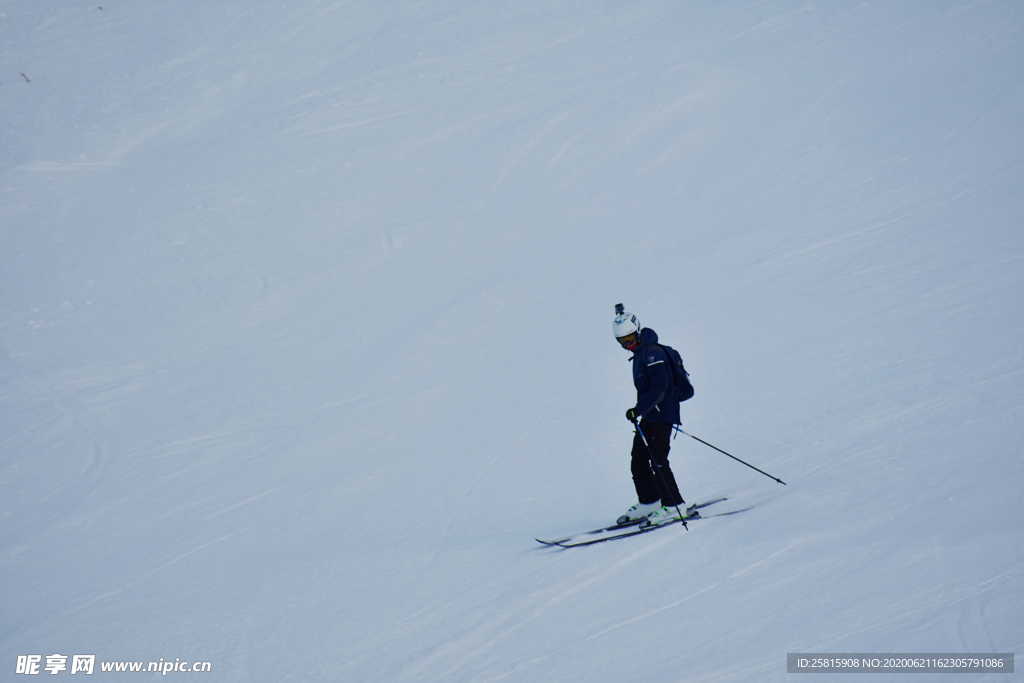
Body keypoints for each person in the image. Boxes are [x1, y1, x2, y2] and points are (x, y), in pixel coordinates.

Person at [612, 305, 691, 526]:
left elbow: (660, 387)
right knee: (638, 459)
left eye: (630, 339)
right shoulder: (641, 354)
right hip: (650, 415)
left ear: (637, 331)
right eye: (623, 342)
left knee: (658, 460)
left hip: (662, 414)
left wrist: (638, 409)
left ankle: (675, 505)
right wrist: (641, 410)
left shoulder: (653, 353)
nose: (628, 345)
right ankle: (650, 501)